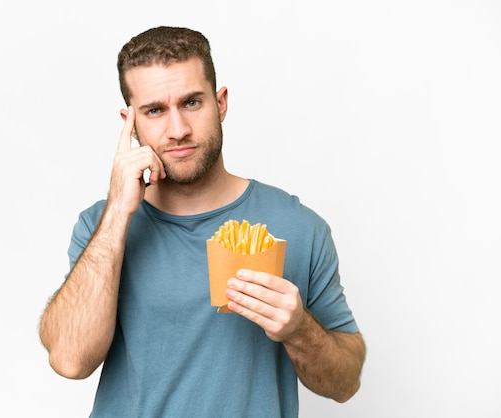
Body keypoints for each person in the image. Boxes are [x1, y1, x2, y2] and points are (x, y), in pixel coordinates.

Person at [39, 26, 366, 417]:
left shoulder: (299, 227)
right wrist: (116, 214)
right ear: (131, 123)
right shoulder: (101, 226)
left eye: (192, 103)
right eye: (155, 111)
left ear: (221, 102)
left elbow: (345, 383)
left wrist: (299, 330)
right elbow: (70, 361)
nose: (177, 130)